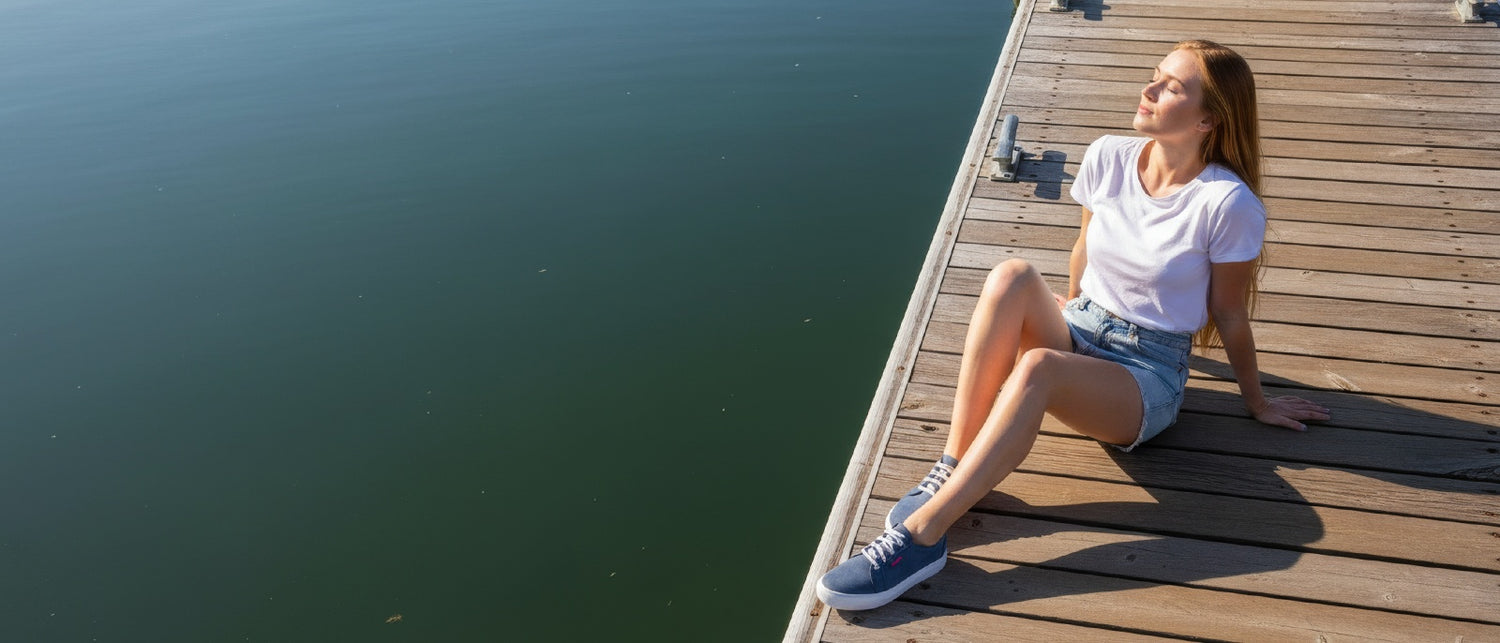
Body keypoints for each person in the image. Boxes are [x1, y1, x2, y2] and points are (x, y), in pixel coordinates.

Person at [815, 39, 1331, 611]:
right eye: (1154, 76)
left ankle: (922, 539)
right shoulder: (1108, 155)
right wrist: (1074, 303)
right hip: (1084, 328)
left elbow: (1230, 312)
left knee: (1037, 367)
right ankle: (953, 466)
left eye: (1172, 87)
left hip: (1147, 375)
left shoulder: (1226, 205)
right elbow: (1084, 243)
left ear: (1208, 119)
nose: (1150, 90)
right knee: (1011, 275)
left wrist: (1257, 403)